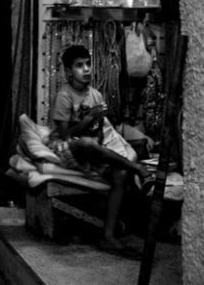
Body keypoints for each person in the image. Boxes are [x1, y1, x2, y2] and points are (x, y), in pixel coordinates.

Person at [47, 44, 148, 258]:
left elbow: (100, 134)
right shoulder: (64, 95)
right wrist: (89, 118)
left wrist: (98, 139)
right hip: (67, 148)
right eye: (79, 65)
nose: (86, 69)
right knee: (87, 143)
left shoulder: (96, 95)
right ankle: (136, 167)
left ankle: (108, 236)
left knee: (120, 173)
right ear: (68, 71)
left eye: (88, 64)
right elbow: (65, 135)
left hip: (91, 151)